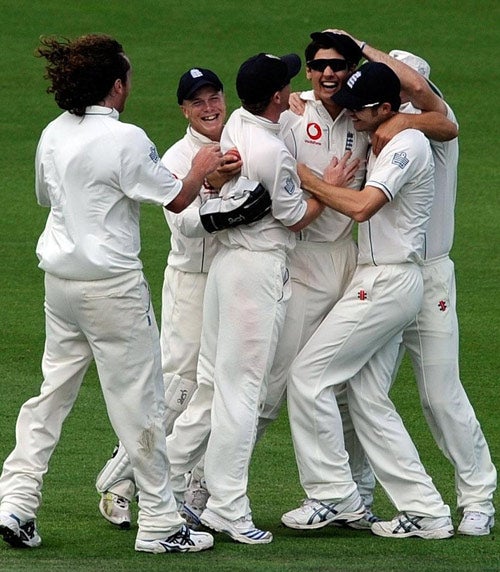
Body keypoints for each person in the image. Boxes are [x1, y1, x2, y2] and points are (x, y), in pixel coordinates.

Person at [0, 34, 224, 554]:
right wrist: (200, 168)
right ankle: (161, 524)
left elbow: (45, 195)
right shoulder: (126, 140)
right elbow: (177, 197)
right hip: (113, 292)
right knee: (140, 403)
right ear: (116, 85)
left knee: (51, 395)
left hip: (61, 287)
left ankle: (16, 501)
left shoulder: (53, 132)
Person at [256, 31, 459, 528]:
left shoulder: (406, 143)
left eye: (360, 110)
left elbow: (365, 206)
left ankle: (335, 496)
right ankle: (422, 510)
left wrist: (308, 179)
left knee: (308, 378)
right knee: (365, 396)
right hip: (378, 276)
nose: (352, 116)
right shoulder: (387, 129)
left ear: (388, 107)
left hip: (387, 280)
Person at [165, 52, 325, 544]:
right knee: (241, 393)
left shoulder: (237, 123)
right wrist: (330, 188)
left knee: (220, 387)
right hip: (255, 272)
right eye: (288, 86)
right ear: (276, 96)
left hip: (225, 270)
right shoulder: (272, 152)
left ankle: (164, 482)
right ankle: (227, 509)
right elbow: (295, 216)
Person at [95, 67, 262, 530]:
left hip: (231, 281)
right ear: (185, 110)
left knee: (217, 387)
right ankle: (119, 481)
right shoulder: (175, 158)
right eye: (198, 102)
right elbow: (186, 224)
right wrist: (218, 193)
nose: (210, 108)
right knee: (178, 389)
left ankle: (194, 488)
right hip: (192, 281)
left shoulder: (238, 139)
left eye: (215, 97)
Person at [347, 39, 496, 536]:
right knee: (364, 389)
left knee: (439, 393)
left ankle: (478, 498)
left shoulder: (436, 126)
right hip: (384, 276)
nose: (403, 98)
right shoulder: (376, 124)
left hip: (429, 276)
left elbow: (423, 109)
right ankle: (363, 493)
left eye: (410, 89)